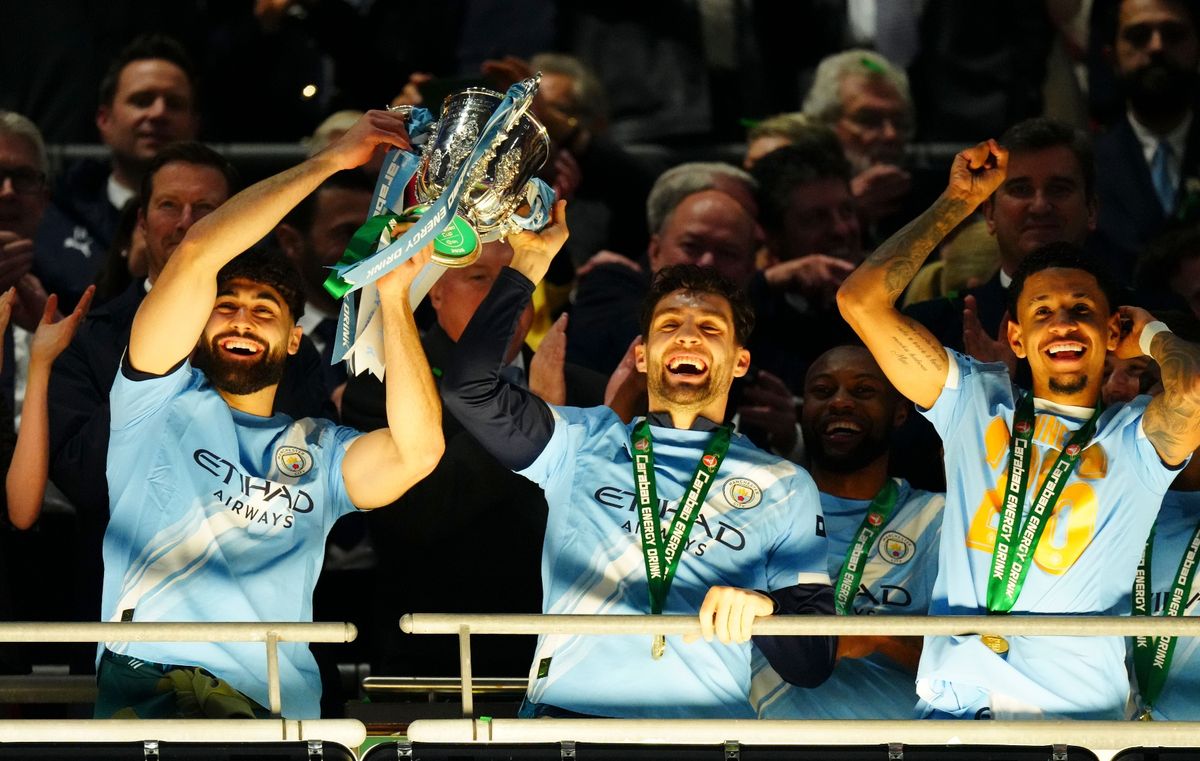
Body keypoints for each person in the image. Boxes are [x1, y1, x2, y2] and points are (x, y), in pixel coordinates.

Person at [94, 110, 444, 719]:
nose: (243, 318)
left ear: (292, 340)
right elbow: (200, 250)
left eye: (265, 310)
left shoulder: (322, 449)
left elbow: (419, 452)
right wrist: (331, 160)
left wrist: (392, 298)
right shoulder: (152, 398)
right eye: (226, 305)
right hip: (153, 688)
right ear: (200, 326)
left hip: (278, 706)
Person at [837, 138, 1200, 719]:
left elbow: (1196, 392)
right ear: (1016, 337)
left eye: (1082, 310)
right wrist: (957, 203)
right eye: (1042, 312)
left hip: (1071, 726)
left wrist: (1154, 335)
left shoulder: (1135, 440)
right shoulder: (973, 401)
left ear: (1112, 334)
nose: (1063, 323)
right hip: (954, 718)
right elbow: (861, 301)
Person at [442, 220, 837, 718]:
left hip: (704, 741)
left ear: (739, 362)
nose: (688, 338)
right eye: (669, 326)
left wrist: (768, 611)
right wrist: (526, 268)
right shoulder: (578, 442)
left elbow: (814, 663)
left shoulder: (783, 485)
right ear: (642, 356)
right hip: (569, 728)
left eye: (710, 328)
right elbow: (468, 390)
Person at [48, 143, 333, 672]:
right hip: (130, 635)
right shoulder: (94, 339)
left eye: (209, 211)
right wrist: (148, 390)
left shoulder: (287, 343)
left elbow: (314, 474)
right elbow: (87, 483)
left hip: (265, 635)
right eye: (169, 206)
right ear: (140, 220)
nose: (188, 224)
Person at [341, 239, 605, 679]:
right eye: (479, 279)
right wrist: (531, 414)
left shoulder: (588, 391)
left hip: (568, 659)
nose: (499, 299)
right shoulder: (382, 387)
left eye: (513, 282)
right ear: (436, 292)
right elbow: (415, 520)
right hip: (433, 655)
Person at [751, 345, 943, 719]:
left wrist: (878, 637)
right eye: (822, 392)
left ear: (900, 411)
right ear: (802, 410)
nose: (839, 402)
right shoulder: (763, 512)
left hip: (897, 746)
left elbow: (982, 657)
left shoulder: (937, 518)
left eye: (863, 391)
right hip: (763, 744)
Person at [34, 35, 199, 311]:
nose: (158, 113)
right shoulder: (54, 218)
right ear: (104, 119)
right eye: (142, 100)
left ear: (194, 124)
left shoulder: (227, 221)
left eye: (174, 103)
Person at [1092, 0, 1200, 281]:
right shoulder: (1085, 167)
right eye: (1139, 36)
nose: (1157, 47)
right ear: (1111, 57)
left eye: (1173, 34)